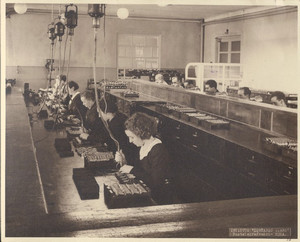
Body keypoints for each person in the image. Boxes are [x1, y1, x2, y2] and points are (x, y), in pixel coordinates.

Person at [115, 112, 174, 204]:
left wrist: (132, 170)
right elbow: (141, 170)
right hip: (145, 191)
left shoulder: (158, 150)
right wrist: (124, 161)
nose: (130, 141)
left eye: (132, 137)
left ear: (142, 133)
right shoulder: (143, 146)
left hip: (158, 199)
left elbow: (156, 183)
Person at [99, 98, 138, 162]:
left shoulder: (116, 124)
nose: (99, 116)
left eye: (100, 113)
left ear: (107, 112)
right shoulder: (117, 116)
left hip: (126, 156)